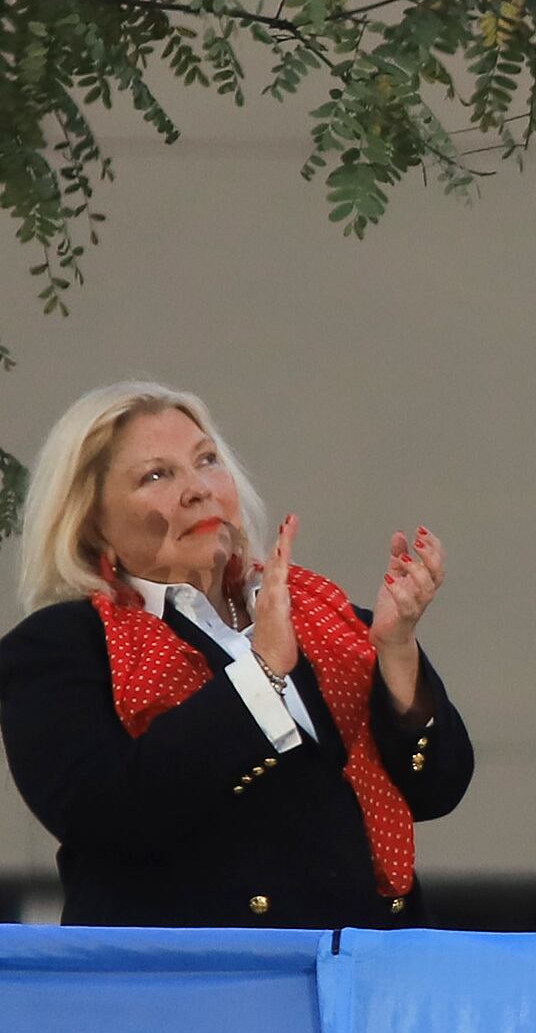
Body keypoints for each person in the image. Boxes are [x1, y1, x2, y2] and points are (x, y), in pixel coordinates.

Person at [0, 382, 471, 928]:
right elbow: (106, 814)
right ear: (91, 525)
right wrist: (259, 677)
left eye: (206, 460)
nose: (197, 488)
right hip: (199, 990)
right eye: (157, 475)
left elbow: (438, 789)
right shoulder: (60, 646)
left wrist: (396, 653)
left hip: (363, 982)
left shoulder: (327, 619)